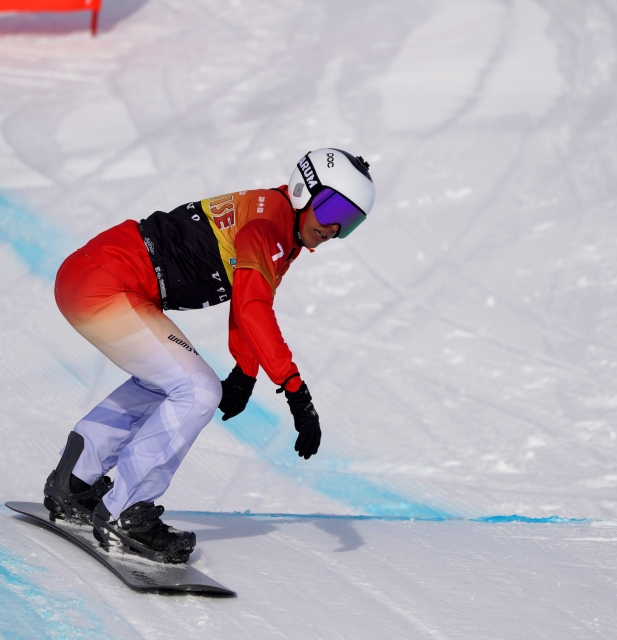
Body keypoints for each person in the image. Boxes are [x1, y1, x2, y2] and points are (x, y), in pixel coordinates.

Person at [43, 148, 376, 563]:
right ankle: (124, 513)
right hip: (106, 282)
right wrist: (294, 389)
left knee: (167, 380)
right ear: (302, 190)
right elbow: (253, 308)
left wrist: (246, 372)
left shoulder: (275, 221)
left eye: (350, 221)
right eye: (333, 209)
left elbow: (249, 299)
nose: (334, 228)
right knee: (196, 389)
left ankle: (74, 482)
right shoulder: (268, 226)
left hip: (97, 275)